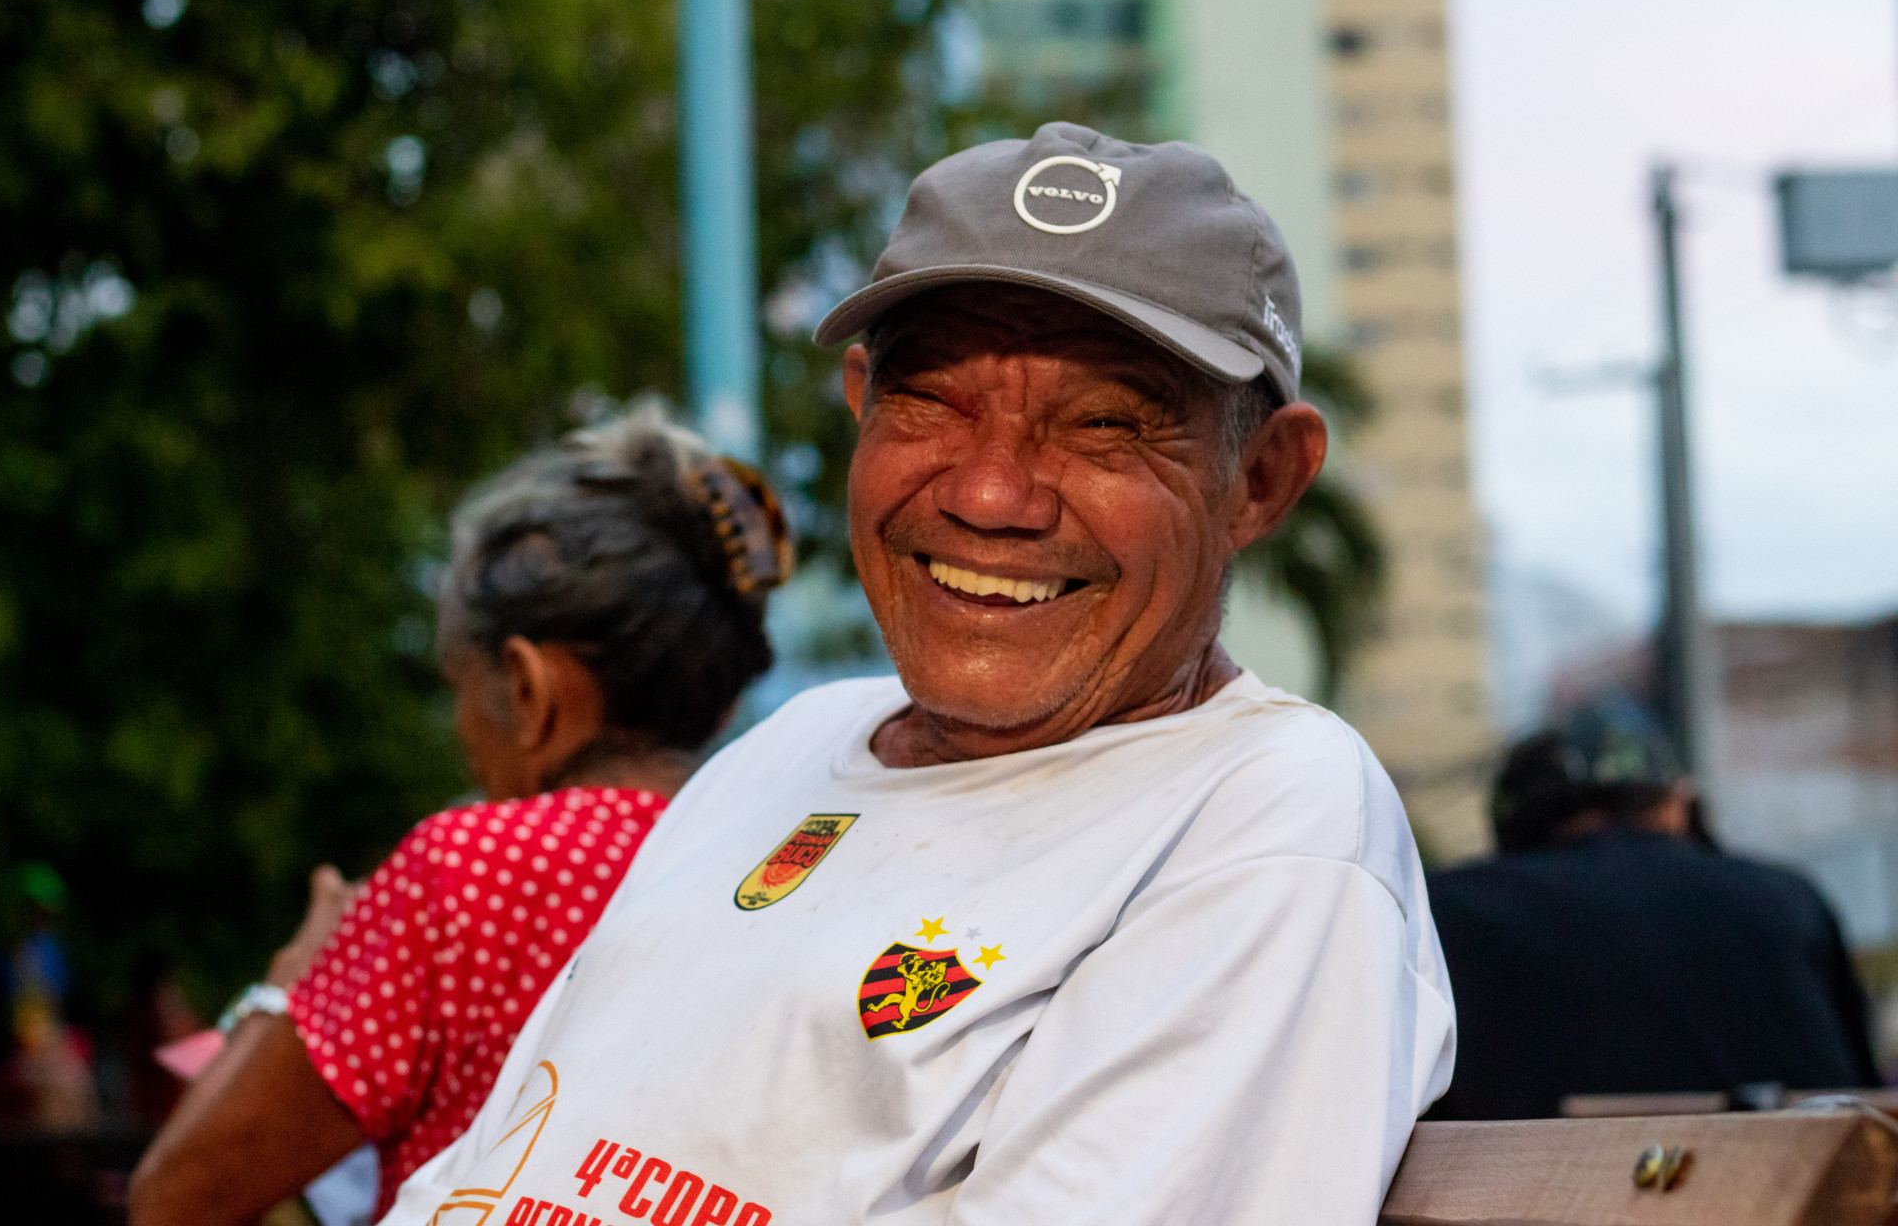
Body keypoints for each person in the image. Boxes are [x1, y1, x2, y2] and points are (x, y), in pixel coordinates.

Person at [380, 123, 1454, 1226]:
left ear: (1262, 480)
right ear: (860, 401)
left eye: (1103, 425)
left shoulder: (1265, 813)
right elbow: (501, 1157)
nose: (991, 493)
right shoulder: (795, 745)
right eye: (932, 401)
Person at [129, 404, 791, 1224]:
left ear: (527, 687)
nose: (460, 730)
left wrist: (287, 986)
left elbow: (174, 1199)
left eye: (458, 688)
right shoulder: (785, 860)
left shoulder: (470, 877)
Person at [1425, 698, 1878, 1120]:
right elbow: (1863, 1099)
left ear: (1511, 825)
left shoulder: (1445, 912)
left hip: (1537, 1198)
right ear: (1675, 802)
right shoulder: (1789, 900)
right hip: (1792, 1195)